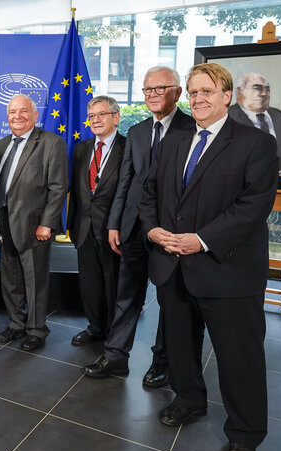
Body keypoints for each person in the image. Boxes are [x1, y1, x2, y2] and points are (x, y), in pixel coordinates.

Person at [139, 62, 278, 451]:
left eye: (207, 92)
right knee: (180, 344)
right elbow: (150, 193)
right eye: (194, 92)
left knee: (239, 358)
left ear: (227, 97)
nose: (199, 99)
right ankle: (188, 399)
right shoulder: (174, 139)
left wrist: (200, 240)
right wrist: (153, 231)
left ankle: (244, 435)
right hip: (172, 263)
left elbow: (252, 207)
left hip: (227, 269)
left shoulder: (256, 144)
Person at [83, 66, 194, 387]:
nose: (153, 95)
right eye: (148, 90)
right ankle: (116, 355)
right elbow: (125, 181)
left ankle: (163, 361)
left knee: (169, 301)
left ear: (177, 91)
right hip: (132, 227)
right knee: (126, 295)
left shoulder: (192, 128)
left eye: (160, 89)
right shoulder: (138, 132)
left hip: (171, 231)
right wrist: (115, 222)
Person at [0, 94, 68, 352]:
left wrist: (47, 223)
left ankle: (36, 329)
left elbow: (58, 188)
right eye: (12, 112)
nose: (17, 116)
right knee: (9, 279)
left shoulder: (50, 143)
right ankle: (16, 323)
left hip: (34, 227)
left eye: (23, 111)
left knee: (35, 281)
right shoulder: (1, 145)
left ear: (35, 115)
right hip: (3, 223)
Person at [67, 96, 124, 348]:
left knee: (113, 283)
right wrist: (71, 225)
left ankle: (114, 332)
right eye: (91, 116)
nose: (96, 120)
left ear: (116, 117)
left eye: (102, 115)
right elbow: (76, 191)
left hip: (114, 229)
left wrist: (120, 225)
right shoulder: (81, 148)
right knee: (89, 282)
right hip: (84, 226)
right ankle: (95, 327)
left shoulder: (129, 147)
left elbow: (131, 192)